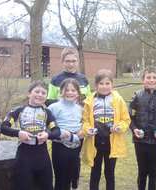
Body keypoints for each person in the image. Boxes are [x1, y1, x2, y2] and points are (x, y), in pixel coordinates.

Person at [1, 81, 69, 190]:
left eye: (43, 93)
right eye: (37, 91)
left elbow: (56, 131)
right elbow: (3, 127)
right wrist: (18, 133)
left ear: (46, 96)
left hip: (42, 155)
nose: (40, 94)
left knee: (46, 186)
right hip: (24, 155)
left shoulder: (47, 112)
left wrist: (47, 135)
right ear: (29, 93)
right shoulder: (18, 110)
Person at [47, 48, 91, 189]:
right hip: (61, 133)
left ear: (77, 61)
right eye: (67, 61)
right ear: (62, 62)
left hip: (78, 130)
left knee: (74, 167)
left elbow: (88, 103)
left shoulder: (84, 79)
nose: (71, 64)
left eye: (73, 61)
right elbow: (49, 103)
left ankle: (74, 182)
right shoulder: (56, 80)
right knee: (62, 172)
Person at [81, 69, 130, 190]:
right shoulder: (89, 101)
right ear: (96, 85)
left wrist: (119, 127)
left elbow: (126, 120)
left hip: (111, 142)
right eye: (101, 83)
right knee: (95, 172)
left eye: (107, 83)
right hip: (95, 142)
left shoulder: (118, 100)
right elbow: (85, 121)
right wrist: (88, 129)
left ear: (112, 85)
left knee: (110, 173)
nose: (104, 86)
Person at [129, 67, 156, 190]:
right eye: (148, 77)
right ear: (143, 80)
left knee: (153, 171)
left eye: (154, 77)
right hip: (140, 141)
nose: (151, 80)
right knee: (142, 171)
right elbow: (130, 118)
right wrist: (134, 129)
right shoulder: (136, 96)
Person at [48, 78, 83, 190]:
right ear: (61, 91)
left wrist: (81, 133)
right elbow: (46, 127)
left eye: (73, 90)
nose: (70, 92)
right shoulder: (53, 108)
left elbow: (83, 125)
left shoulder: (80, 109)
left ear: (78, 93)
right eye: (66, 90)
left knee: (71, 175)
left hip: (76, 145)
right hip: (60, 146)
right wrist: (59, 133)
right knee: (61, 177)